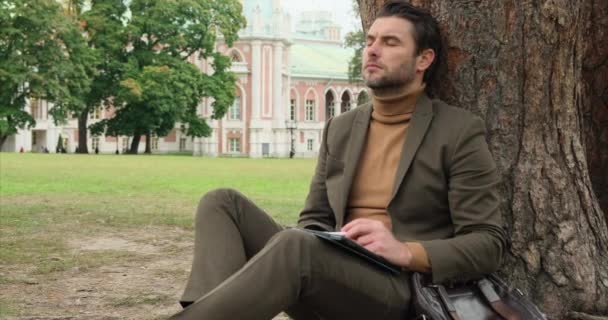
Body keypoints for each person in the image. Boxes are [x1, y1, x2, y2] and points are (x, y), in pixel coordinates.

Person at [169, 1, 506, 319]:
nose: (373, 50)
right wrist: (325, 245)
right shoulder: (341, 128)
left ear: (423, 60)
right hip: (329, 278)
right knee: (221, 203)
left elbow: (488, 242)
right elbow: (314, 221)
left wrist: (406, 251)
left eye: (390, 43)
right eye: (370, 40)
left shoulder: (457, 130)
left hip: (399, 290)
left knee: (295, 244)